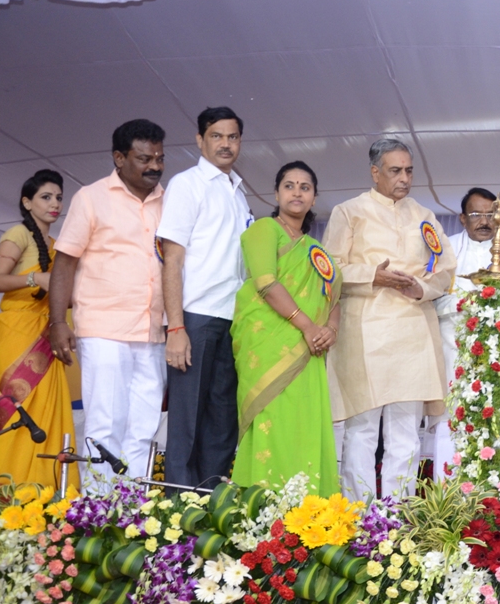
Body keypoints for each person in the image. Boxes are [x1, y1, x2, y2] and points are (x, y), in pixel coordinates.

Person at [323, 139, 456, 501]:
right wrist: (373, 275)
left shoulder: (424, 216)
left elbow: (446, 268)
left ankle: (398, 515)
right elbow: (330, 268)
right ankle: (360, 514)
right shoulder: (349, 211)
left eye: (409, 170)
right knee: (362, 430)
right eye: (395, 171)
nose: (404, 178)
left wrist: (421, 288)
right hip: (364, 332)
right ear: (375, 172)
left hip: (413, 330)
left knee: (405, 432)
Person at [49, 119, 167, 482]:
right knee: (105, 425)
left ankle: (134, 508)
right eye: (145, 158)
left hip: (153, 332)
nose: (155, 166)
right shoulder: (91, 197)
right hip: (104, 330)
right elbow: (64, 262)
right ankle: (99, 509)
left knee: (144, 427)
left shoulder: (169, 200)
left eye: (160, 158)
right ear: (119, 158)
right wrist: (58, 322)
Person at [232, 162, 340, 494]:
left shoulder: (317, 250)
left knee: (304, 424)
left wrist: (330, 330)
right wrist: (308, 327)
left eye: (305, 187)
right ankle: (264, 507)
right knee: (272, 421)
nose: (297, 192)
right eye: (289, 185)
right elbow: (266, 282)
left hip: (310, 350)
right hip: (270, 345)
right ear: (277, 194)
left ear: (314, 197)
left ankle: (308, 509)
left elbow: (335, 296)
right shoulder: (264, 229)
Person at [157, 106, 251, 488]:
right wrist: (176, 327)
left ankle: (211, 502)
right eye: (216, 136)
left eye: (232, 137)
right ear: (200, 140)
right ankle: (178, 509)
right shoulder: (187, 184)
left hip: (233, 319)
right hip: (195, 318)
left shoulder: (239, 193)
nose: (225, 144)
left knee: (222, 422)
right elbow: (172, 259)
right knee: (187, 424)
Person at [432, 187, 500, 494]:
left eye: (491, 214)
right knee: (453, 431)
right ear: (462, 218)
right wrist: (474, 302)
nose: (485, 221)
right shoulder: (446, 252)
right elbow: (432, 300)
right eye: (476, 214)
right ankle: (451, 508)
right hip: (457, 359)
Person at [0, 170, 76, 489]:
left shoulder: (56, 246)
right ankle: (13, 490)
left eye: (59, 198)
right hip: (17, 332)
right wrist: (34, 278)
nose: (55, 204)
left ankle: (47, 490)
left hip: (46, 334)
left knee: (49, 411)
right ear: (27, 202)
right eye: (46, 197)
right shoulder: (18, 234)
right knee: (19, 410)